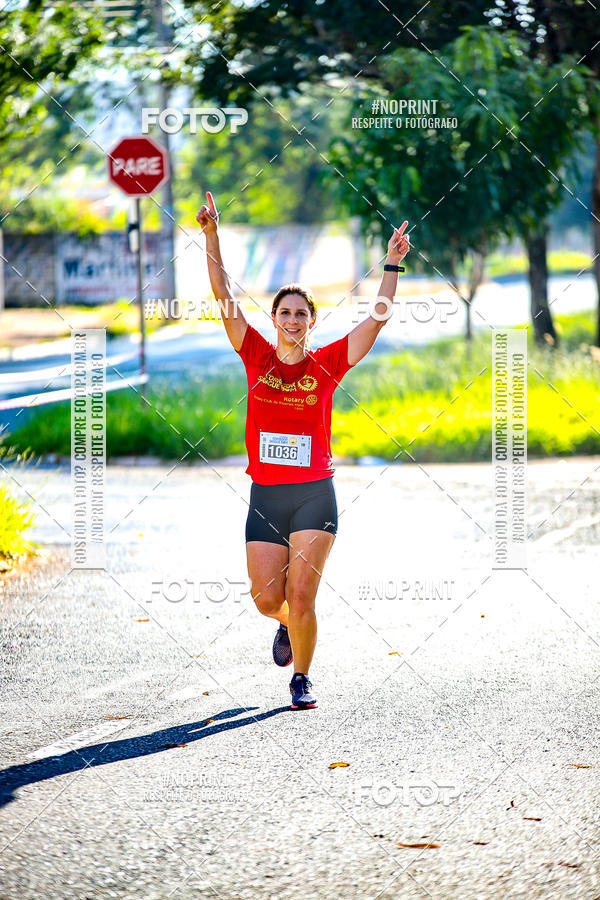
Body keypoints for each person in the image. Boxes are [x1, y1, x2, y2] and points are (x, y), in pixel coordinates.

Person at [196, 191, 410, 710]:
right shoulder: (254, 355)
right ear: (274, 319)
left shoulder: (328, 364)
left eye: (301, 313)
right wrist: (211, 236)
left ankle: (301, 679)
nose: (292, 320)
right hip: (266, 495)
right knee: (270, 598)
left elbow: (375, 322)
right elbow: (224, 298)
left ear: (311, 320)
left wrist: (391, 266)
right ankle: (289, 628)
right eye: (284, 312)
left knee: (304, 596)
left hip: (315, 493)